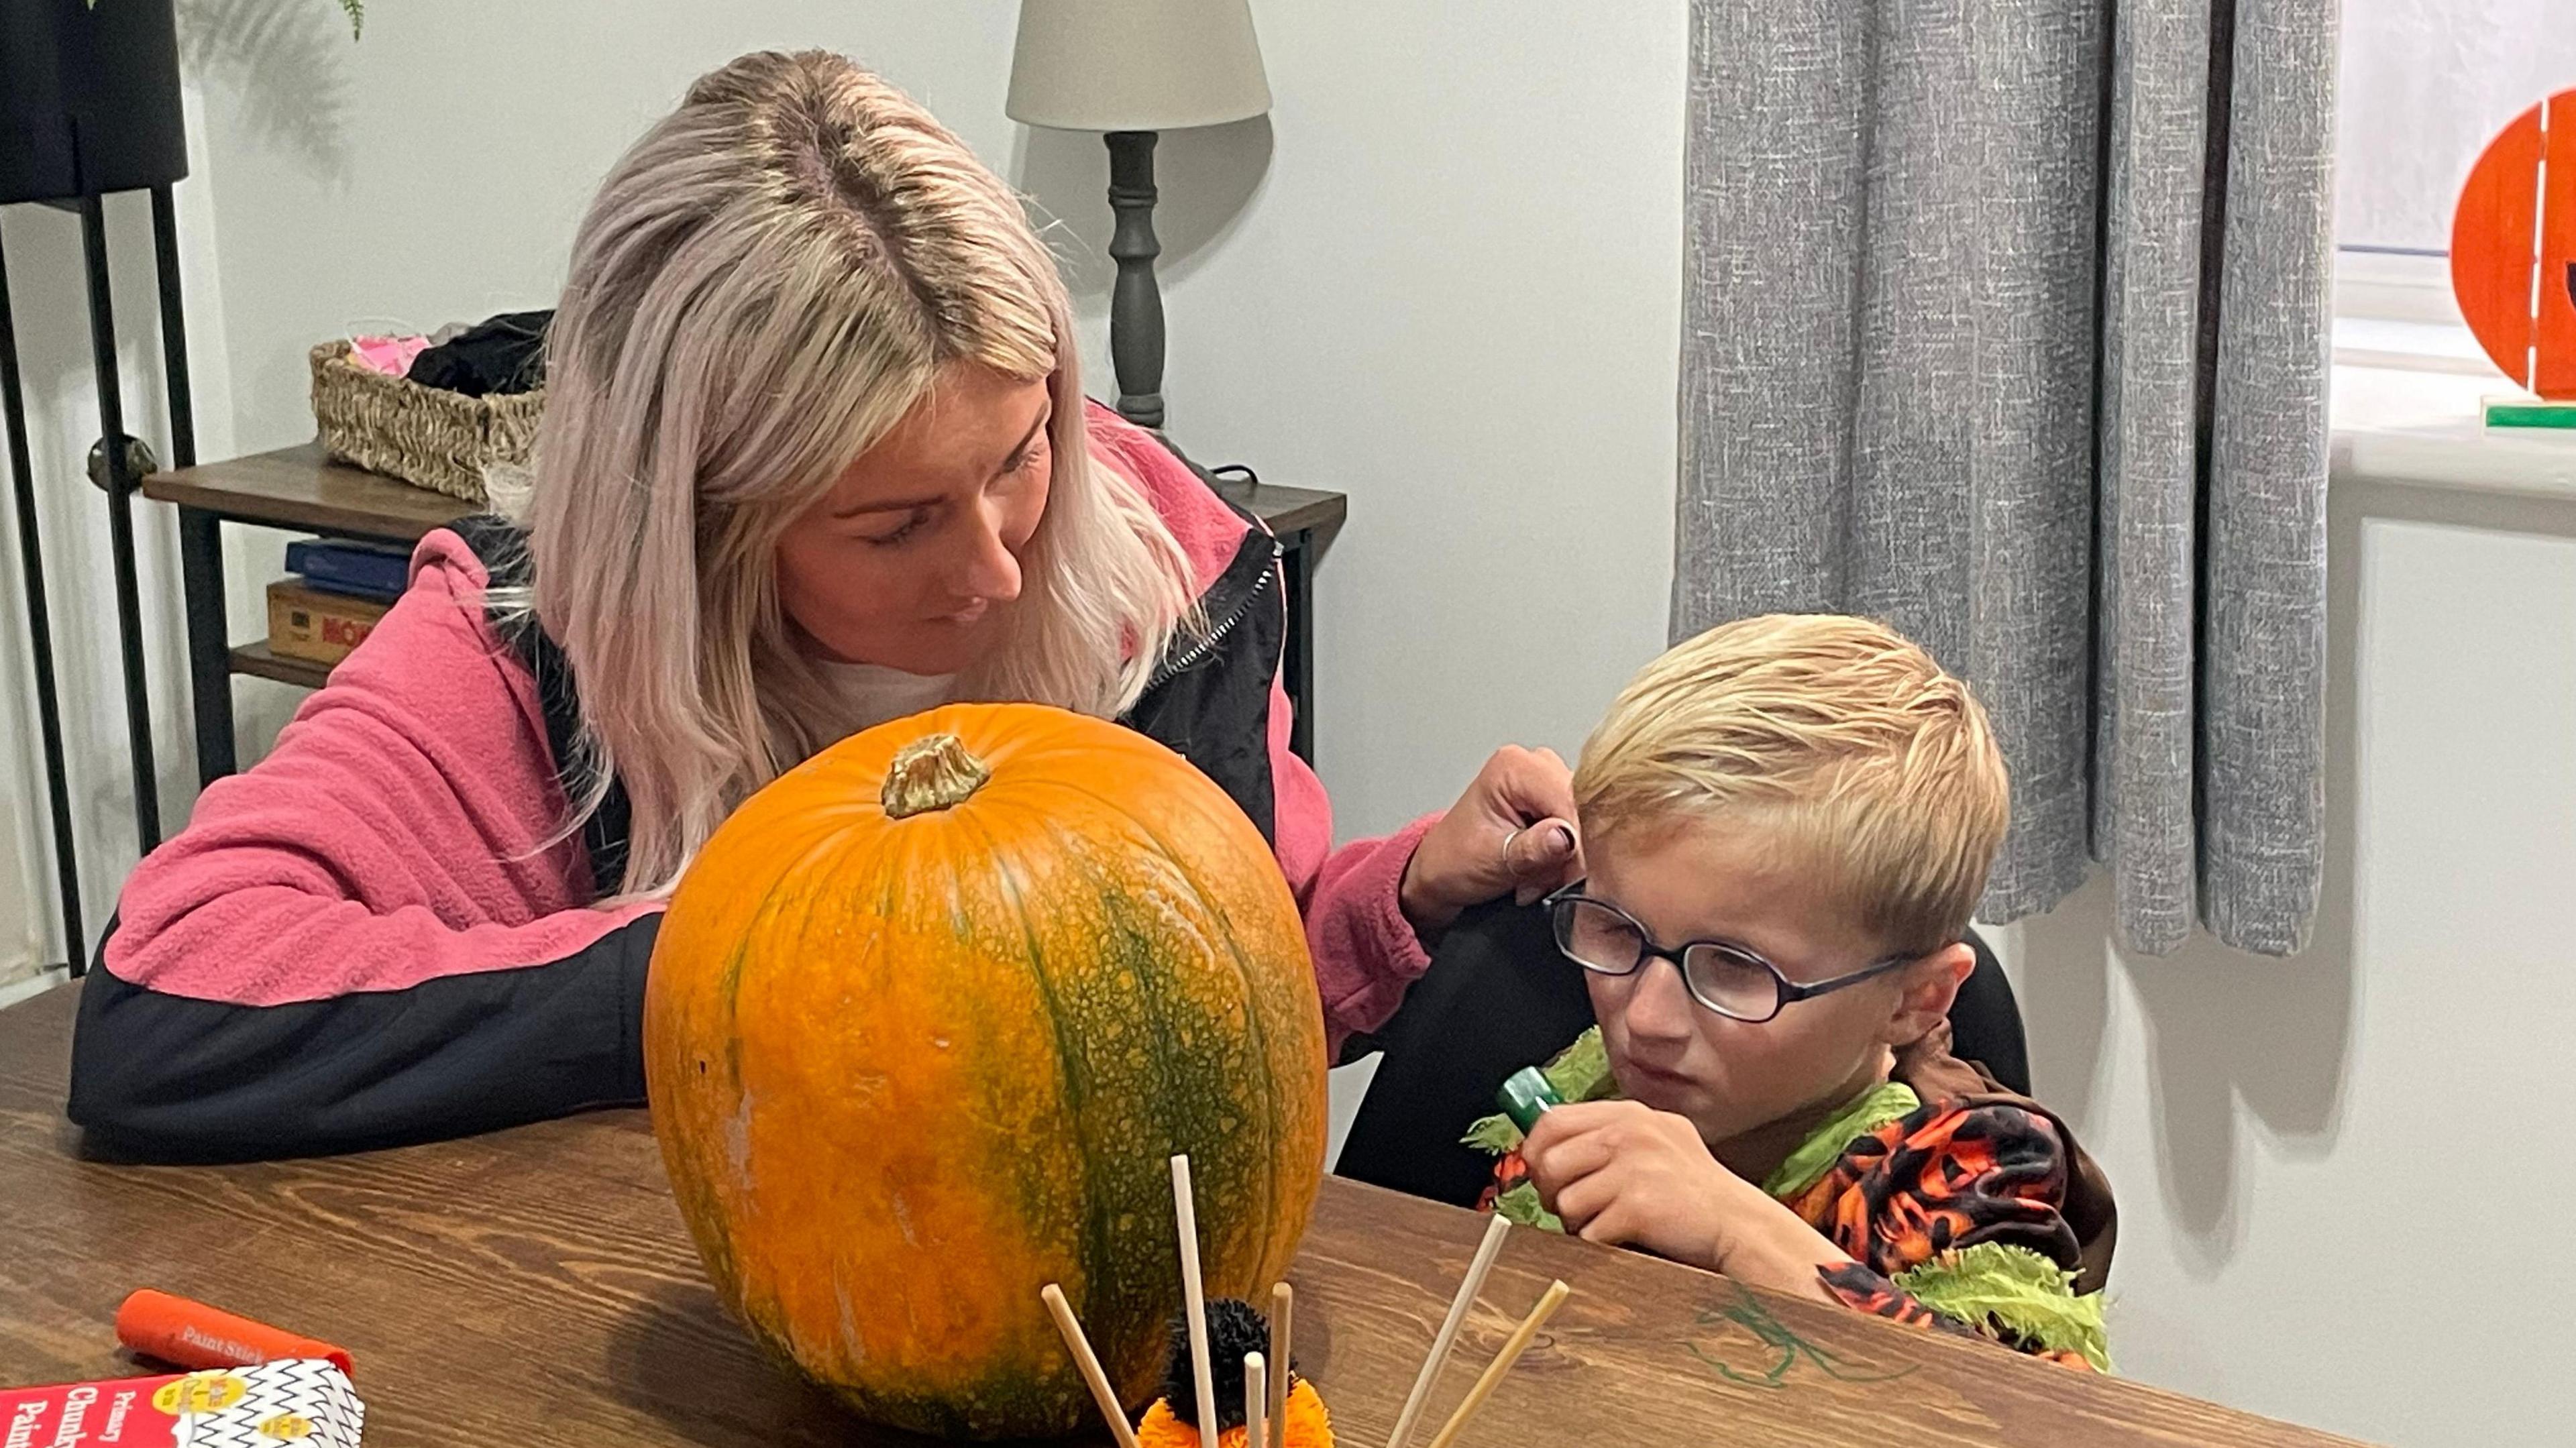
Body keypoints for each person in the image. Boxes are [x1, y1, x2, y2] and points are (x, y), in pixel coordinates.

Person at [65, 50, 1578, 1159]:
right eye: (892, 522)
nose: (993, 564)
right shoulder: (534, 642)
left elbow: (1212, 1015)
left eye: (1020, 452)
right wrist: (733, 967)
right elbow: (167, 1006)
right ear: (697, 532)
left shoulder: (1169, 573)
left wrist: (1401, 899)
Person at [1463, 614, 2117, 1368]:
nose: (1644, 1017)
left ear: (1916, 1000)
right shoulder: (1594, 1081)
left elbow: (2029, 1415)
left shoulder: (1965, 1171)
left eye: (1738, 968)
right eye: (1615, 930)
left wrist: (1734, 1230)